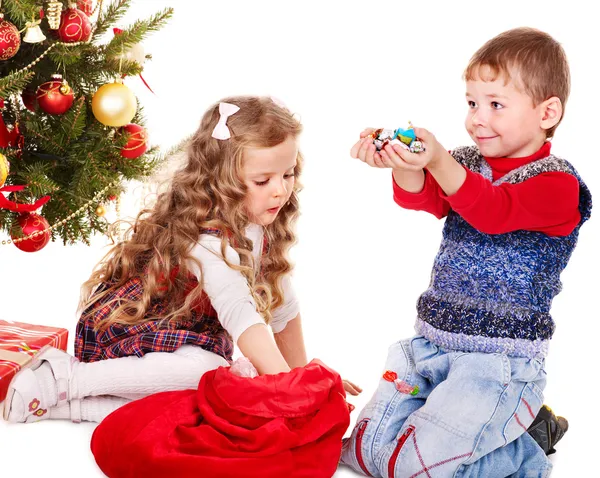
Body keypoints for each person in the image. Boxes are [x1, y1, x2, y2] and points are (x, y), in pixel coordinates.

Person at [4, 96, 360, 424]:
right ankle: (66, 376)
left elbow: (284, 309)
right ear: (221, 179)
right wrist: (293, 391)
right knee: (209, 372)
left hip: (184, 343)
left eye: (288, 174)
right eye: (263, 180)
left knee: (223, 396)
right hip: (128, 336)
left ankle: (70, 405)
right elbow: (242, 317)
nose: (280, 190)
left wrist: (304, 381)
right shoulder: (206, 241)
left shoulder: (261, 226)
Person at [341, 27, 591, 477]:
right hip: (432, 340)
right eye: (472, 103)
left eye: (496, 105)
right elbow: (426, 198)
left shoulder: (558, 185)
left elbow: (491, 212)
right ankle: (492, 427)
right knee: (364, 451)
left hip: (499, 359)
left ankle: (527, 443)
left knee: (415, 470)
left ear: (547, 112)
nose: (477, 118)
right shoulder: (467, 162)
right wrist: (405, 165)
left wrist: (437, 159)